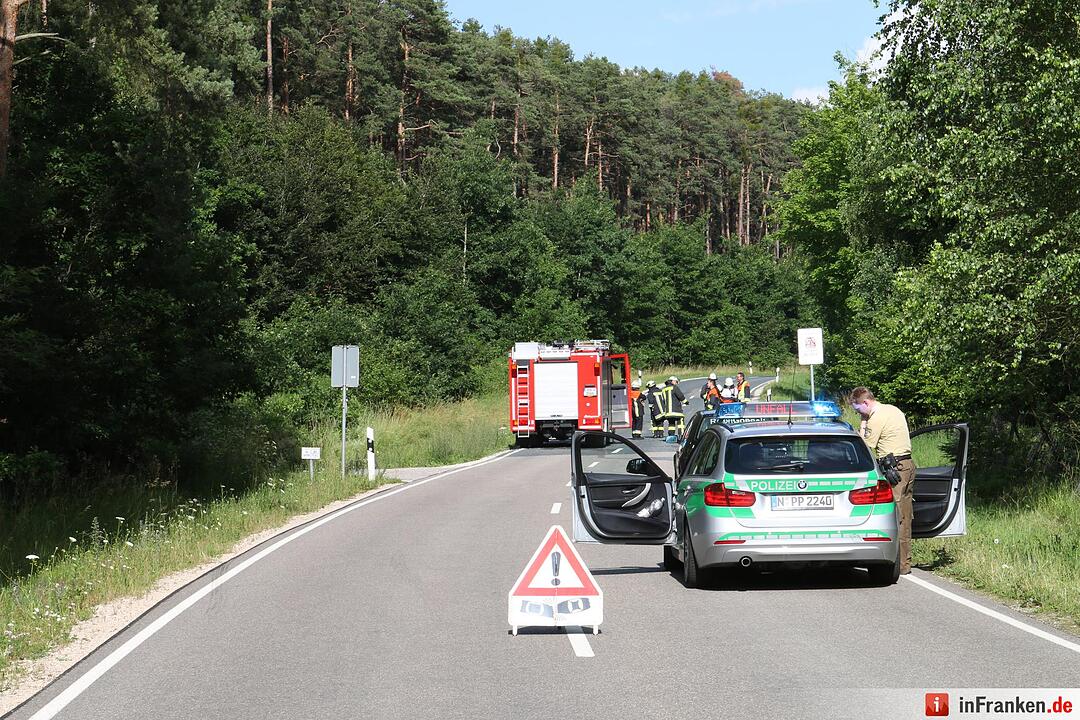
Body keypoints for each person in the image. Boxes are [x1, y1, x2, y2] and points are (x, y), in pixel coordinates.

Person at [850, 386, 916, 575]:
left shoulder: (876, 418)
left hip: (894, 469)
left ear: (865, 402)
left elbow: (865, 447)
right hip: (908, 465)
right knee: (905, 516)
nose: (858, 414)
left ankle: (897, 564)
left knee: (895, 516)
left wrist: (863, 425)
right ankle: (904, 563)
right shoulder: (893, 409)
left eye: (858, 410)